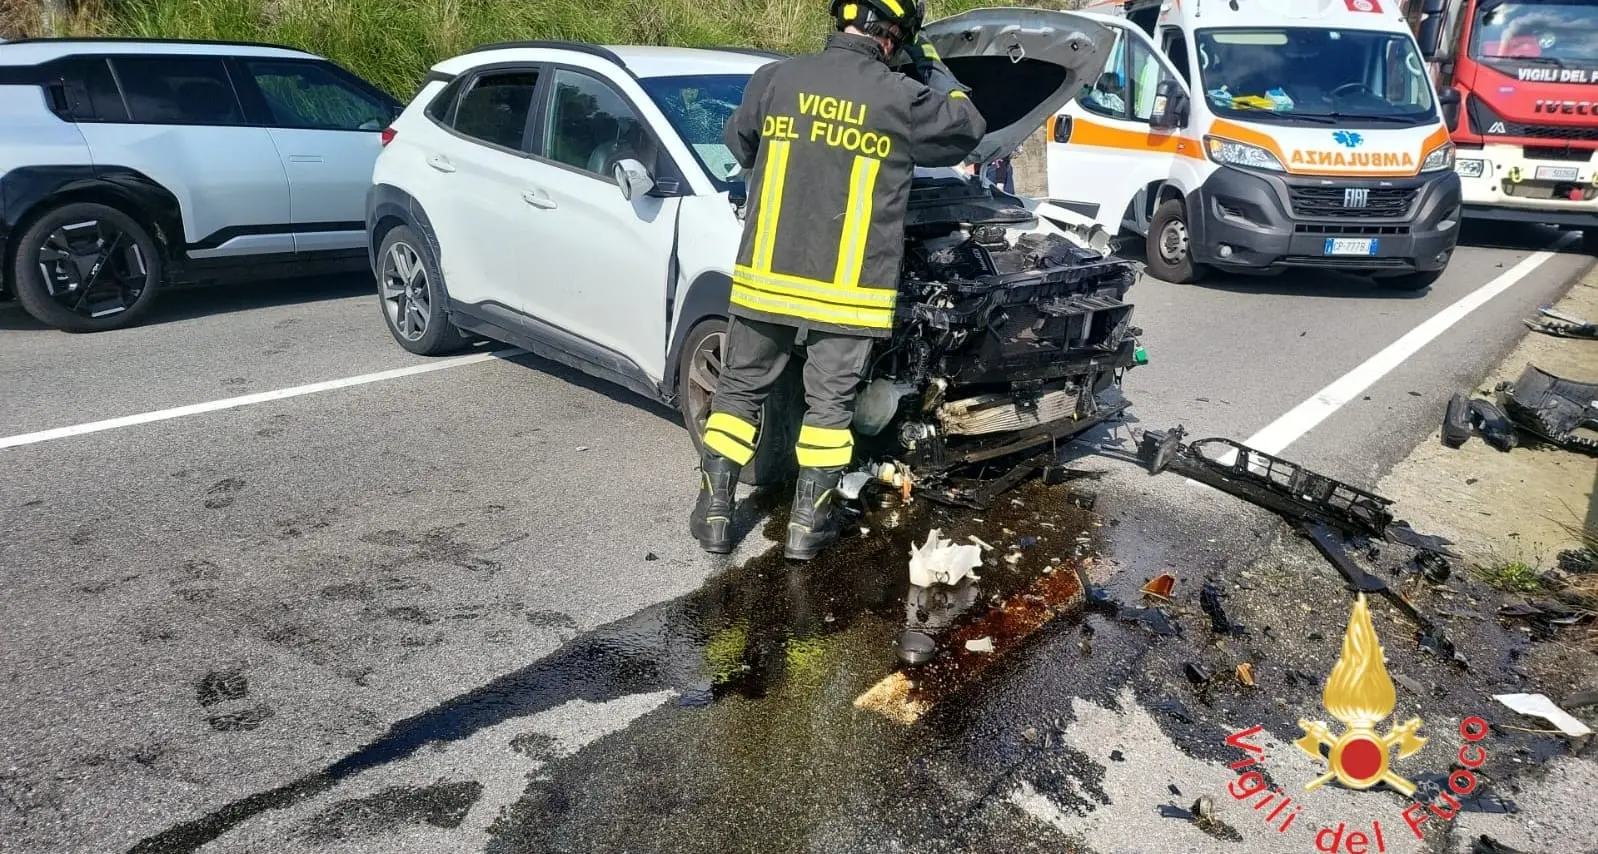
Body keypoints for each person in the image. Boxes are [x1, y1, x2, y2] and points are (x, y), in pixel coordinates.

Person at [689, 0, 986, 561]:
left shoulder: (775, 79)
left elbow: (740, 144)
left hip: (766, 280)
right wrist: (930, 65)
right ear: (893, 38)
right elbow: (968, 126)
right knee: (829, 410)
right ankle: (806, 527)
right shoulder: (899, 96)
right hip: (847, 293)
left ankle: (713, 515)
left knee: (737, 393)